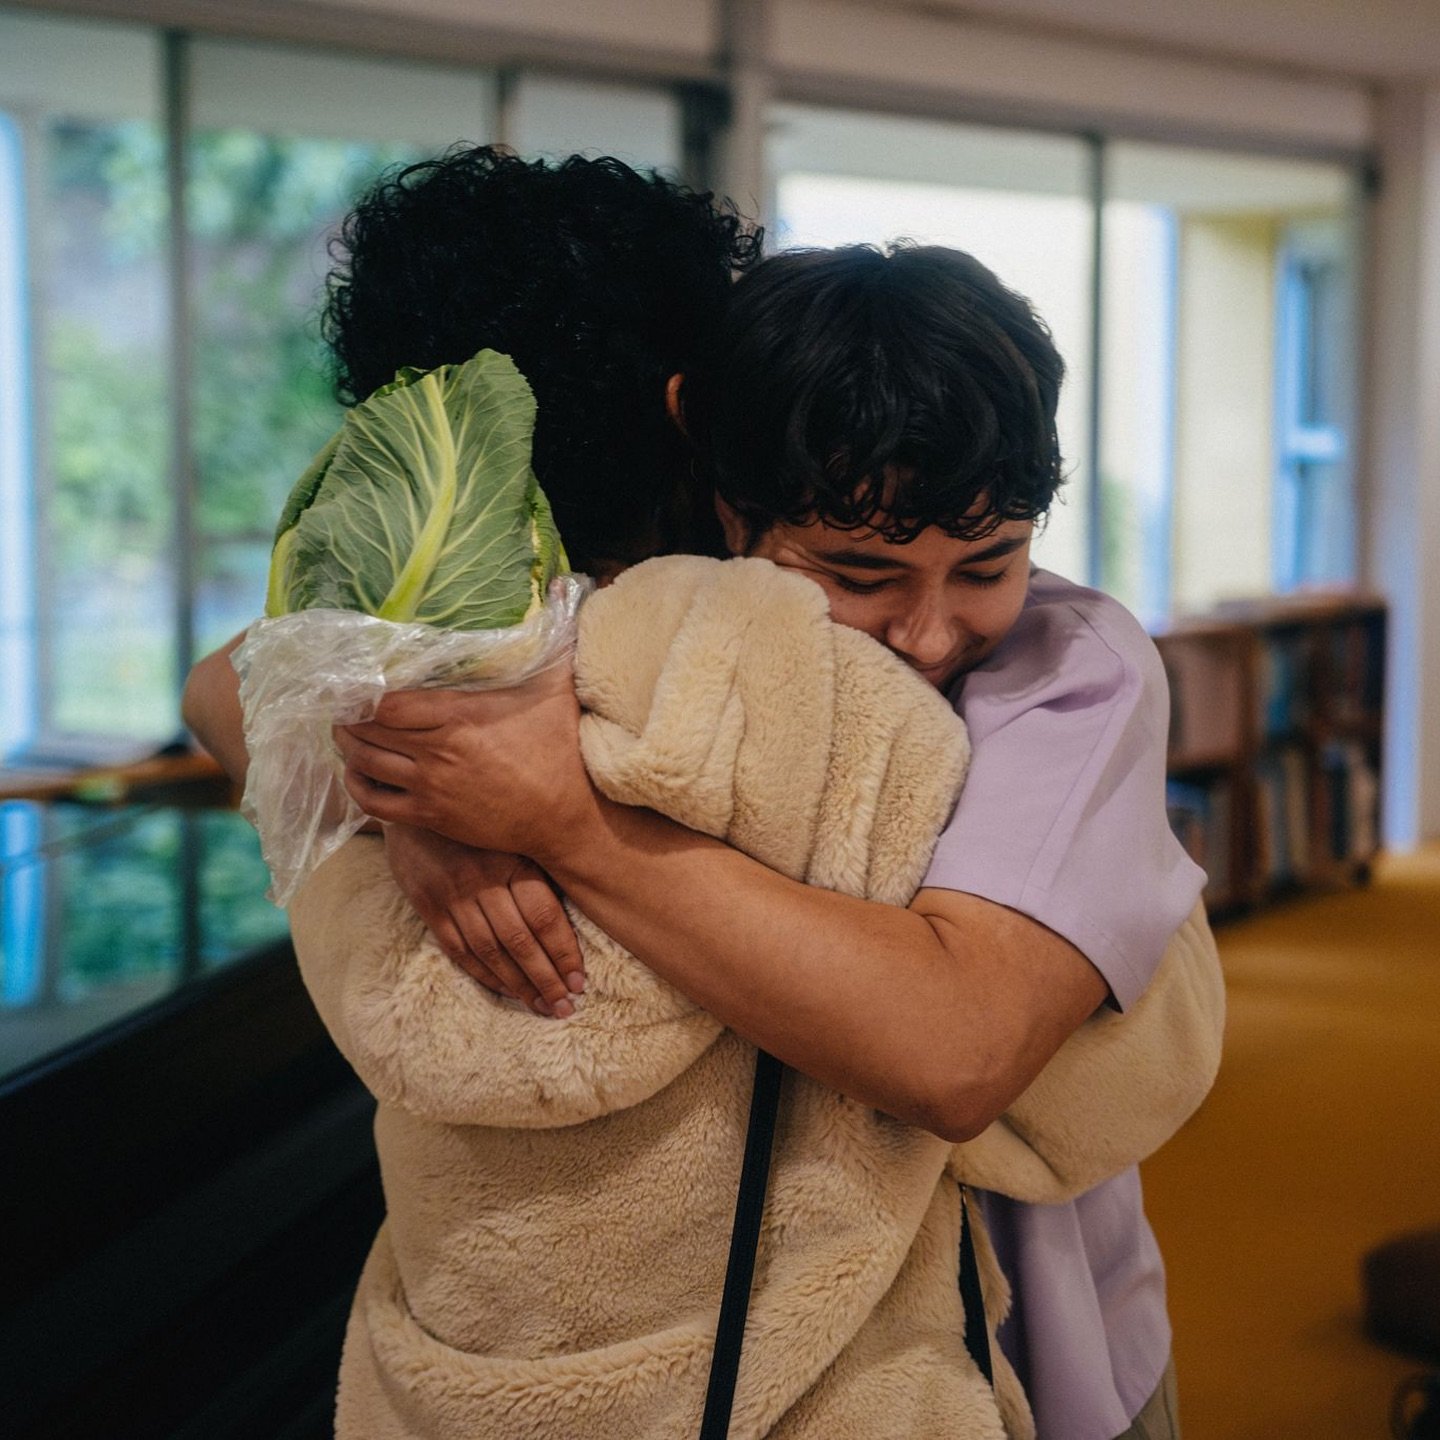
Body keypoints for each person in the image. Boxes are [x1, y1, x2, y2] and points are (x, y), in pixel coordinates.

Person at [333, 244, 1217, 1440]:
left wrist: (559, 826)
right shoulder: (646, 614)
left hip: (1032, 1338)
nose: (928, 631)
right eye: (860, 571)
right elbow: (237, 683)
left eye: (988, 565)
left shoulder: (1070, 676)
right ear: (724, 492)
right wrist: (414, 806)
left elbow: (955, 1051)